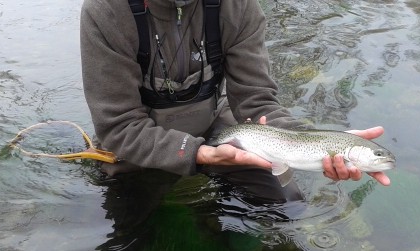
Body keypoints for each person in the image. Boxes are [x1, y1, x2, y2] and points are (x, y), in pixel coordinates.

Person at [81, 0, 390, 248]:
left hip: (222, 129)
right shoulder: (106, 11)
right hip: (137, 145)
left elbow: (256, 102)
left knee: (287, 206)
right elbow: (119, 125)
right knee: (134, 235)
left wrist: (308, 139)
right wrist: (197, 154)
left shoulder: (237, 6)